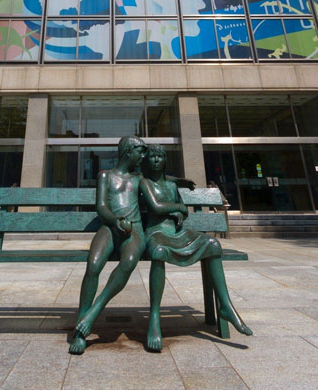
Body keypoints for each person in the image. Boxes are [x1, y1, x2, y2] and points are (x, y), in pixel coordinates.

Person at [140, 145, 252, 352]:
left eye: (160, 156)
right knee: (158, 252)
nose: (156, 160)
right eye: (152, 157)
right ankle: (154, 316)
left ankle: (226, 306)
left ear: (165, 160)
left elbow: (182, 210)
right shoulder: (144, 183)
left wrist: (180, 213)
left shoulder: (172, 187)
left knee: (213, 244)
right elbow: (156, 207)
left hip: (176, 233)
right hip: (156, 233)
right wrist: (179, 208)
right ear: (146, 161)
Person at [69, 135, 147, 355]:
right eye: (139, 151)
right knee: (93, 265)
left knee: (129, 261)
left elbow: (163, 178)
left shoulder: (138, 179)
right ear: (127, 151)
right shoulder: (105, 176)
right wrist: (116, 221)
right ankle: (81, 321)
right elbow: (101, 206)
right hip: (110, 227)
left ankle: (91, 315)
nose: (143, 156)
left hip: (134, 230)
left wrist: (180, 182)